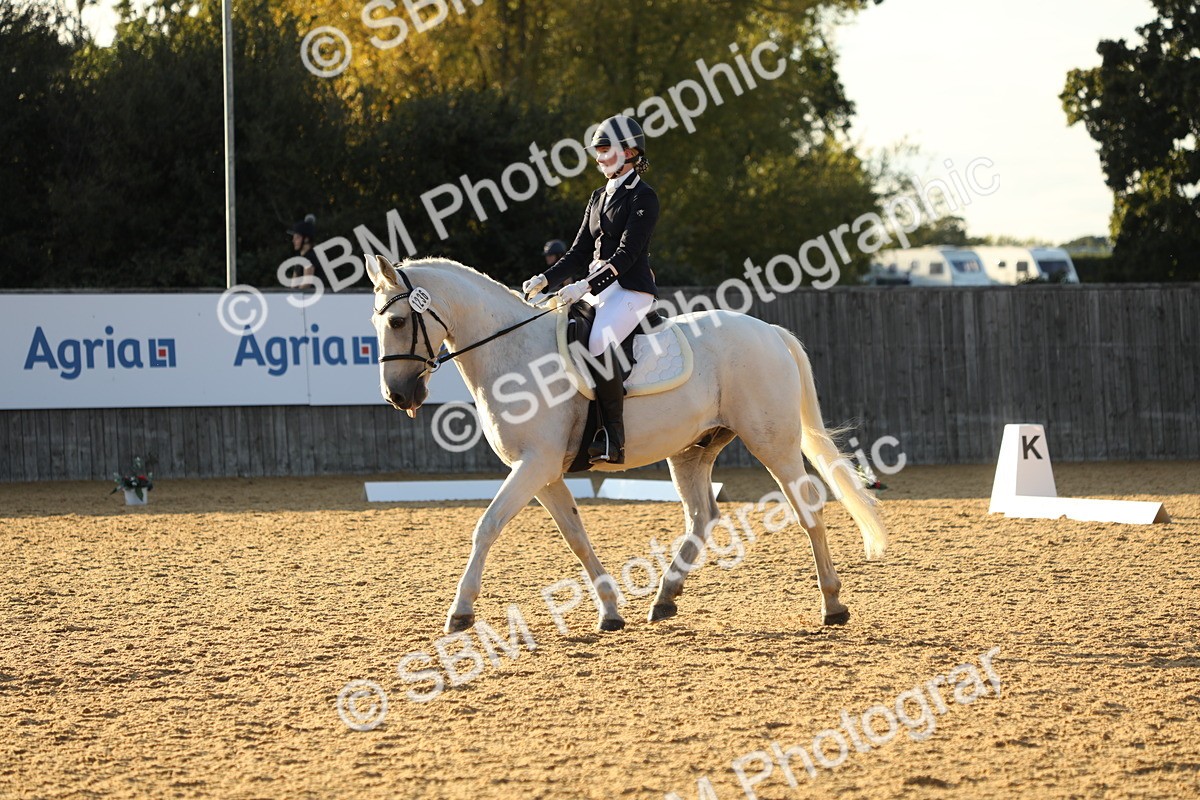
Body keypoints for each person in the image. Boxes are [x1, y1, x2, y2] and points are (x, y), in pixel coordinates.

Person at [522, 115, 658, 465]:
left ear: (629, 152)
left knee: (598, 343)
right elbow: (579, 251)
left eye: (604, 150)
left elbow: (627, 255)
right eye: (596, 150)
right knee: (559, 331)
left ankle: (613, 438)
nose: (598, 158)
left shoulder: (643, 196)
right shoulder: (599, 196)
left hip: (630, 290)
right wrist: (546, 279)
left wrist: (585, 284)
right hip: (598, 290)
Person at [287, 213, 319, 279]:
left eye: (297, 238)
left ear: (306, 239)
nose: (293, 240)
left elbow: (306, 285)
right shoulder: (301, 258)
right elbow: (294, 283)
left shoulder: (311, 257)